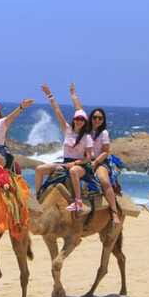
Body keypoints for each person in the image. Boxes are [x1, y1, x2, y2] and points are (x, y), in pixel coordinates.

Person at [34, 84, 93, 212]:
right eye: (77, 119)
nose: (79, 121)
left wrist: (75, 163)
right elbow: (57, 111)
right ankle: (38, 196)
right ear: (74, 120)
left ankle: (78, 202)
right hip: (65, 162)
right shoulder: (67, 130)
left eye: (82, 119)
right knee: (39, 169)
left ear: (85, 122)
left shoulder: (86, 137)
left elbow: (88, 158)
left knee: (73, 172)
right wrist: (49, 95)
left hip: (81, 165)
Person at [69, 83, 121, 224]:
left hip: (100, 162)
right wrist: (73, 94)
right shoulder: (85, 129)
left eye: (100, 118)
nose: (97, 120)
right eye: (95, 117)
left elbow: (106, 152)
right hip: (84, 161)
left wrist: (95, 163)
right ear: (90, 118)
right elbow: (78, 108)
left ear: (103, 121)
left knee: (104, 180)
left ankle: (114, 212)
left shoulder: (103, 133)